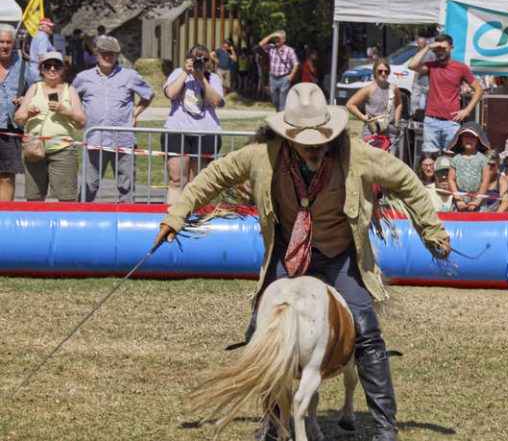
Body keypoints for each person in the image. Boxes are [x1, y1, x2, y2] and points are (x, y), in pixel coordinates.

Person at [154, 83, 451, 441]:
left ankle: (385, 428)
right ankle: (273, 421)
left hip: (340, 255)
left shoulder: (356, 155)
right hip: (287, 254)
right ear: (287, 135)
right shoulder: (262, 156)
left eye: (320, 138)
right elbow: (213, 177)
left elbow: (407, 181)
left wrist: (432, 230)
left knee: (366, 330)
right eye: (306, 140)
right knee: (258, 331)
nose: (314, 146)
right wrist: (176, 216)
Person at [73, 36, 155, 203]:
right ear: (96, 54)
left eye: (112, 53)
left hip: (123, 139)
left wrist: (135, 114)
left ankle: (126, 216)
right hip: (95, 140)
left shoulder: (129, 76)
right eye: (104, 53)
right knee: (89, 185)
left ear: (117, 55)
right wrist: (78, 113)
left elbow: (148, 94)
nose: (108, 57)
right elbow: (71, 97)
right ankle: (83, 214)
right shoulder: (83, 77)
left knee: (126, 186)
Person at [14, 51, 85, 201]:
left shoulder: (69, 89)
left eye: (56, 66)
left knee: (67, 199)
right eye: (48, 66)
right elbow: (18, 119)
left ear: (63, 69)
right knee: (34, 199)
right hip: (34, 150)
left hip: (63, 150)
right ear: (41, 69)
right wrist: (28, 114)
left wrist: (64, 110)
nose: (52, 69)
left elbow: (81, 122)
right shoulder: (34, 88)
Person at [162, 44, 225, 204]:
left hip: (206, 133)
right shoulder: (178, 73)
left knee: (197, 181)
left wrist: (201, 79)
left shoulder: (213, 78)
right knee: (176, 180)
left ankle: (194, 214)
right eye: (197, 59)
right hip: (177, 131)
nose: (200, 62)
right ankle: (172, 215)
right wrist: (186, 72)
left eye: (205, 59)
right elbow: (170, 93)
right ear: (188, 59)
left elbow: (216, 101)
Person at [408, 33, 483, 154]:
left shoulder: (461, 68)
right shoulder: (431, 66)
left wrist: (467, 110)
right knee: (430, 158)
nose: (440, 51)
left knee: (450, 158)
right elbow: (412, 65)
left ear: (451, 48)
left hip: (451, 121)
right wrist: (428, 47)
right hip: (431, 120)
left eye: (444, 48)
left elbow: (478, 90)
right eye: (438, 49)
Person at [0, 24, 36, 201]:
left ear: (13, 44)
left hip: (11, 129)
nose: (4, 45)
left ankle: (4, 214)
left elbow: (35, 90)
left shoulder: (22, 65)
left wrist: (25, 100)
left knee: (7, 176)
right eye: (1, 42)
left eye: (8, 42)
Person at [345, 58, 403, 141]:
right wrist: (363, 117)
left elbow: (399, 103)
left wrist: (396, 122)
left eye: (386, 72)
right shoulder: (368, 89)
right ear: (375, 72)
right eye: (380, 71)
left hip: (390, 133)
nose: (383, 74)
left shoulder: (393, 88)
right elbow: (350, 104)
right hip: (372, 132)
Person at [446, 122, 491, 212]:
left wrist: (477, 201)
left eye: (472, 137)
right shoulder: (456, 159)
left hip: (477, 201)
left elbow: (486, 181)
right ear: (460, 139)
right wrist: (458, 199)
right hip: (459, 202)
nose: (468, 139)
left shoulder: (483, 159)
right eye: (465, 136)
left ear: (478, 140)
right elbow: (451, 180)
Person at [259, 30, 299, 112]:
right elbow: (261, 44)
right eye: (276, 38)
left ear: (284, 40)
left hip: (284, 77)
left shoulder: (289, 50)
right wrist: (271, 35)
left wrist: (291, 76)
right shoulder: (271, 48)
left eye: (279, 38)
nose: (277, 40)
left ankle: (281, 114)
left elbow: (296, 64)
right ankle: (279, 111)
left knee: (282, 98)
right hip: (273, 77)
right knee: (273, 97)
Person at [410, 36, 433, 115]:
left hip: (428, 83)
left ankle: (426, 116)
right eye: (418, 43)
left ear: (425, 44)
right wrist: (413, 81)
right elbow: (415, 69)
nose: (419, 45)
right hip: (418, 82)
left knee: (427, 102)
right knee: (414, 100)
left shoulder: (430, 54)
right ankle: (414, 115)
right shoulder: (417, 53)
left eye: (421, 43)